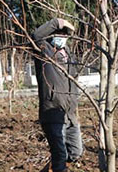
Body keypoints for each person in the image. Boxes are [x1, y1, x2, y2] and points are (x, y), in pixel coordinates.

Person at [32, 18, 84, 172]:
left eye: (64, 34)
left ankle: (51, 168)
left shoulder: (71, 57)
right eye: (58, 34)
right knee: (59, 153)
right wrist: (58, 22)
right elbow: (36, 36)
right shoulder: (44, 52)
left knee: (75, 151)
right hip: (52, 112)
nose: (61, 37)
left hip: (70, 114)